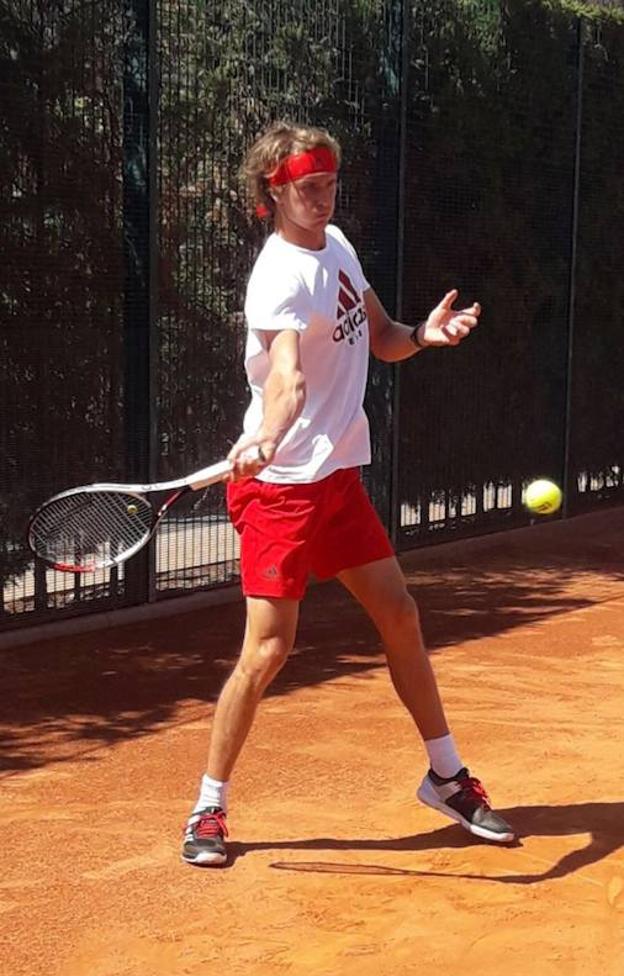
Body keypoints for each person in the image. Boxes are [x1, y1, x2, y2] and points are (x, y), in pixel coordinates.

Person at [182, 122, 515, 866]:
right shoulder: (276, 275)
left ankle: (447, 775)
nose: (324, 196)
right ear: (275, 193)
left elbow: (385, 334)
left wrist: (424, 335)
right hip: (282, 490)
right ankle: (208, 807)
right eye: (309, 187)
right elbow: (288, 378)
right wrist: (268, 432)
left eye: (331, 183)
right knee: (268, 650)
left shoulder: (338, 249)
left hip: (336, 479)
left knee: (399, 611)